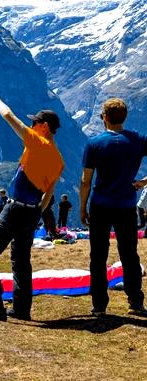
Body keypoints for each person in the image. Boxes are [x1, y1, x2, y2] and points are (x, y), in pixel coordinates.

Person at [0, 96, 64, 321]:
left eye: (35, 123)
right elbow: (49, 194)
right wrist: (36, 214)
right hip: (32, 211)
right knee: (21, 261)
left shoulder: (37, 142)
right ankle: (22, 309)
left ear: (43, 127)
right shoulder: (59, 160)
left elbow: (8, 116)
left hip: (14, 209)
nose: (32, 126)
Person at [80, 98, 147, 317]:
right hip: (126, 205)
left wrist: (82, 208)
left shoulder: (95, 143)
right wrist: (143, 182)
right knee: (129, 254)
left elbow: (85, 181)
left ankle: (99, 305)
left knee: (98, 256)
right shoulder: (137, 140)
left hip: (100, 205)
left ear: (105, 118)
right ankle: (135, 302)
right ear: (124, 117)